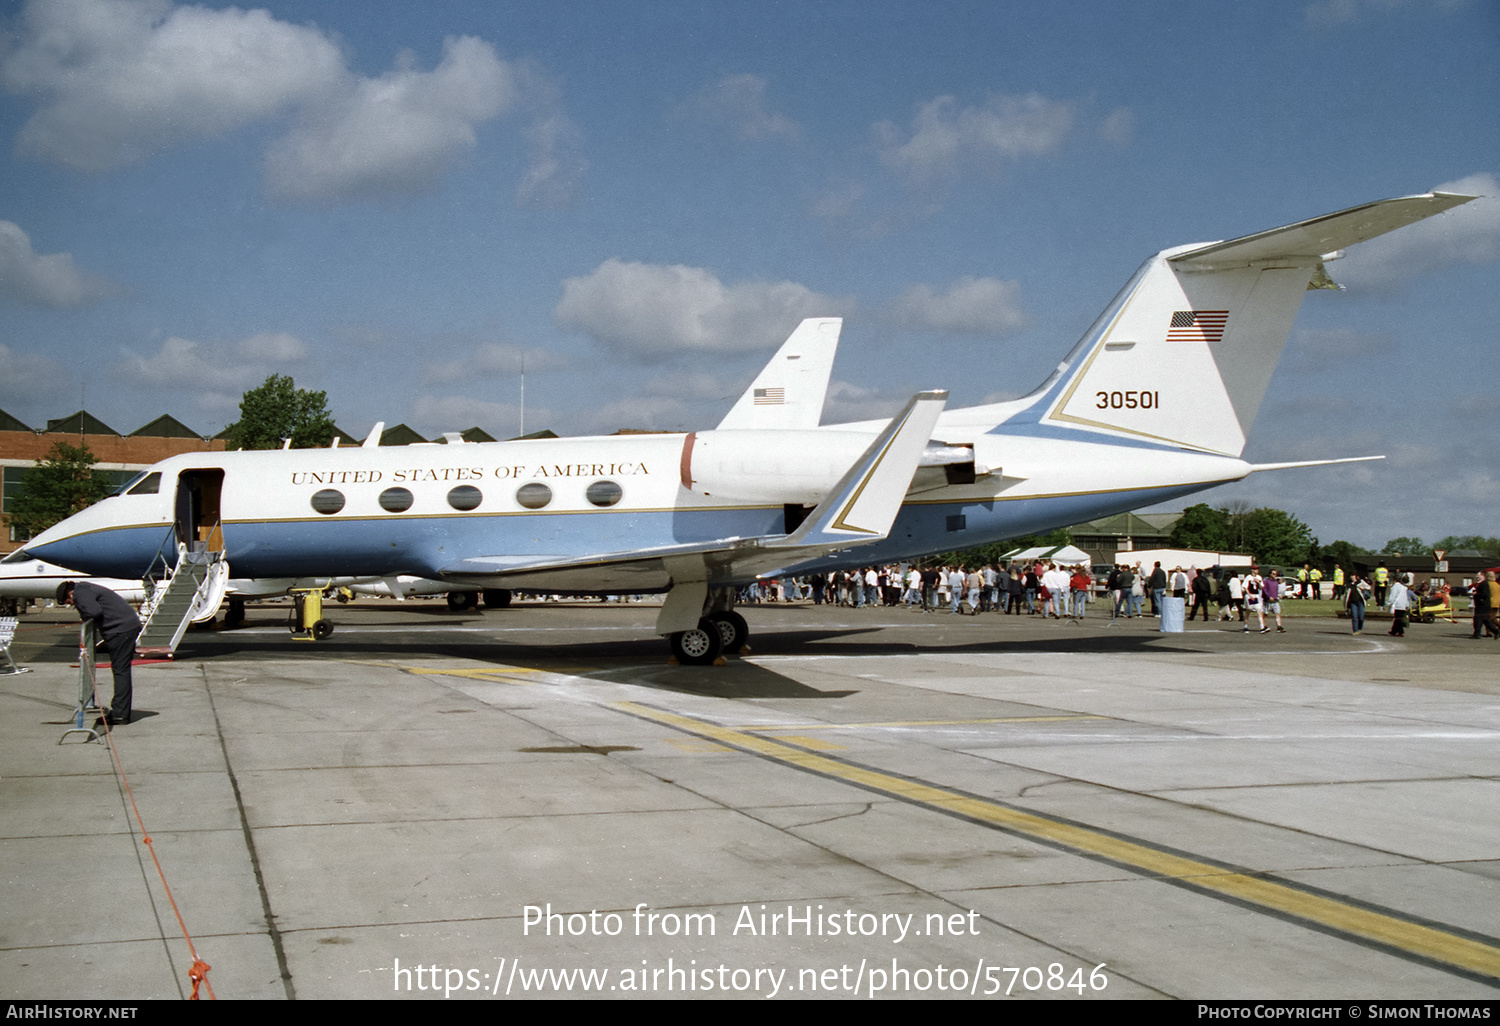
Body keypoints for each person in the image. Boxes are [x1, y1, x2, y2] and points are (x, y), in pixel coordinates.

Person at [57, 581, 141, 727]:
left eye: (70, 602)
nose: (72, 604)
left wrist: (83, 614)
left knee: (121, 670)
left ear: (70, 594)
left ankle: (120, 714)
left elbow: (93, 611)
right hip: (125, 626)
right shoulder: (86, 588)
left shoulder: (81, 592)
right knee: (121, 669)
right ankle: (120, 710)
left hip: (121, 630)